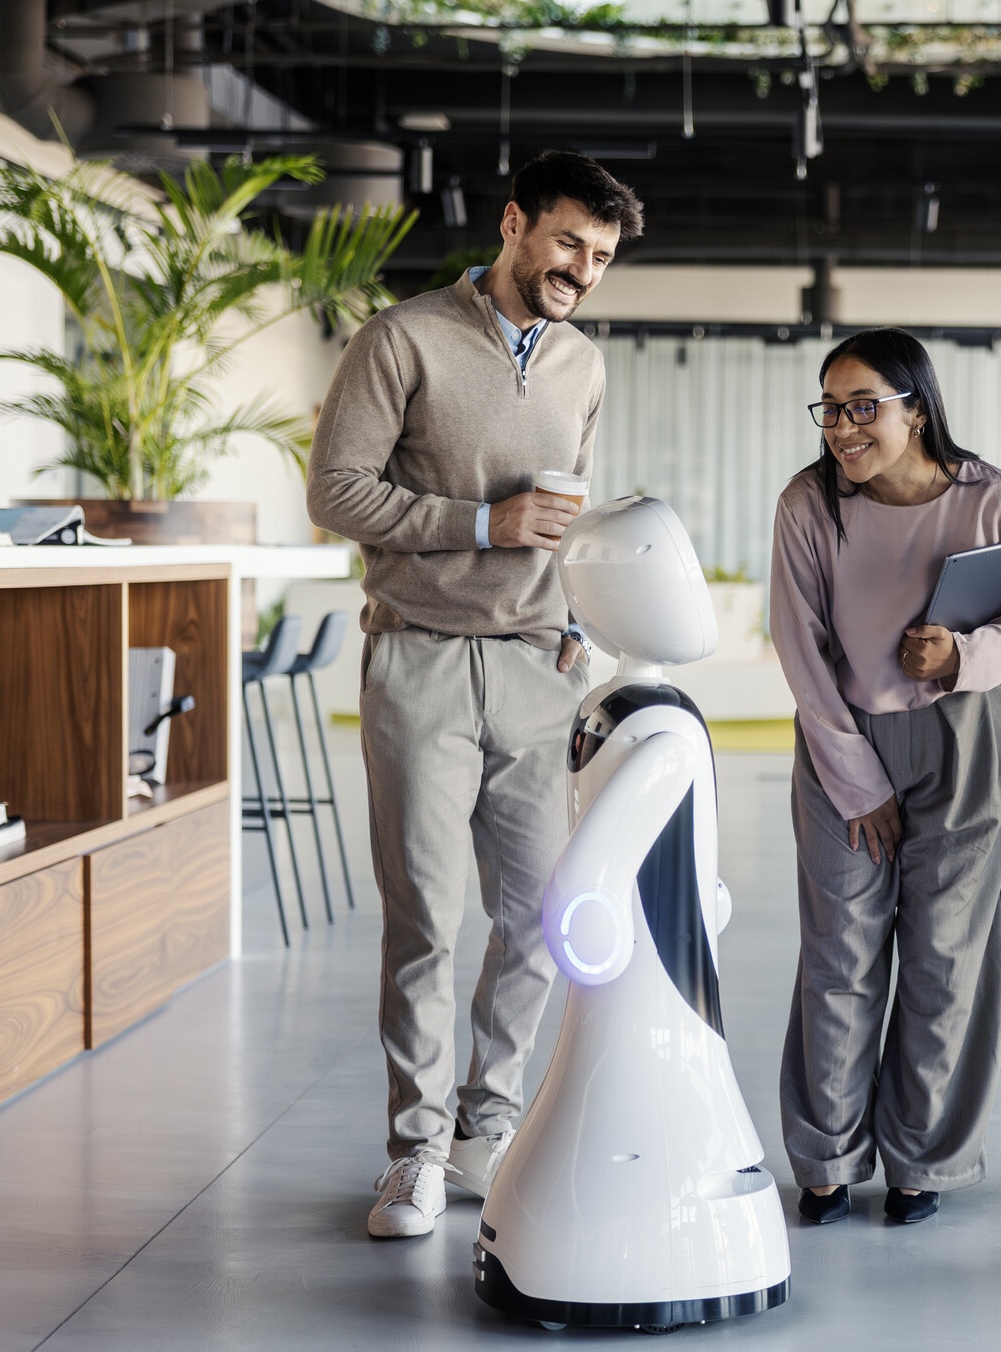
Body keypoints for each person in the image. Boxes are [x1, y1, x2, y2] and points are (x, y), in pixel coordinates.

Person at [306, 150, 645, 1240]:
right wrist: (480, 525)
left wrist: (581, 619)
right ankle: (413, 1152)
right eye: (567, 242)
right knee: (423, 918)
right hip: (419, 659)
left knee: (539, 917)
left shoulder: (583, 363)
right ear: (513, 225)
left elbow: (573, 510)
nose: (581, 269)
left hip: (538, 664)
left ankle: (484, 1129)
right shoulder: (401, 338)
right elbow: (335, 491)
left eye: (601, 255)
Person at [772, 328, 1001, 1227]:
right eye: (830, 409)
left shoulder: (997, 500)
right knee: (839, 954)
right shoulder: (809, 505)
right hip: (843, 742)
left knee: (946, 955)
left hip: (962, 737)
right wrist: (857, 781)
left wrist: (964, 656)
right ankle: (826, 1157)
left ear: (918, 409)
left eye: (864, 406)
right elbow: (800, 647)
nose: (842, 428)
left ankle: (922, 1161)